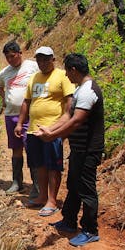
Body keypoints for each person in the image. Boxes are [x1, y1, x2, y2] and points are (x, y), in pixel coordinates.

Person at [33, 53, 104, 246]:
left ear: (74, 70)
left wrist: (53, 137)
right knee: (73, 185)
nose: (66, 76)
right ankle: (69, 221)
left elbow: (77, 121)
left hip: (89, 150)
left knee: (86, 189)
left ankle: (90, 229)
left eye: (67, 71)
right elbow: (67, 116)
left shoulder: (89, 90)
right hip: (78, 148)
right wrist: (51, 129)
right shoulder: (80, 89)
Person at [15, 46, 75, 217]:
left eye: (45, 59)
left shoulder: (62, 76)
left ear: (53, 59)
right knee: (39, 165)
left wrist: (62, 126)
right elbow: (27, 101)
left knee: (53, 166)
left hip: (52, 129)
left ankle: (52, 200)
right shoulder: (34, 78)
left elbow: (69, 101)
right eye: (39, 59)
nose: (42, 62)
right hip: (34, 130)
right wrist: (20, 123)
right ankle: (42, 196)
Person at [0, 40, 39, 195]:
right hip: (11, 115)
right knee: (16, 148)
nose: (11, 60)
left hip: (30, 115)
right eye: (8, 58)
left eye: (13, 56)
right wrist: (4, 97)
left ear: (20, 53)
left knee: (32, 149)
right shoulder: (5, 72)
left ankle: (37, 185)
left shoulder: (32, 66)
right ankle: (17, 182)